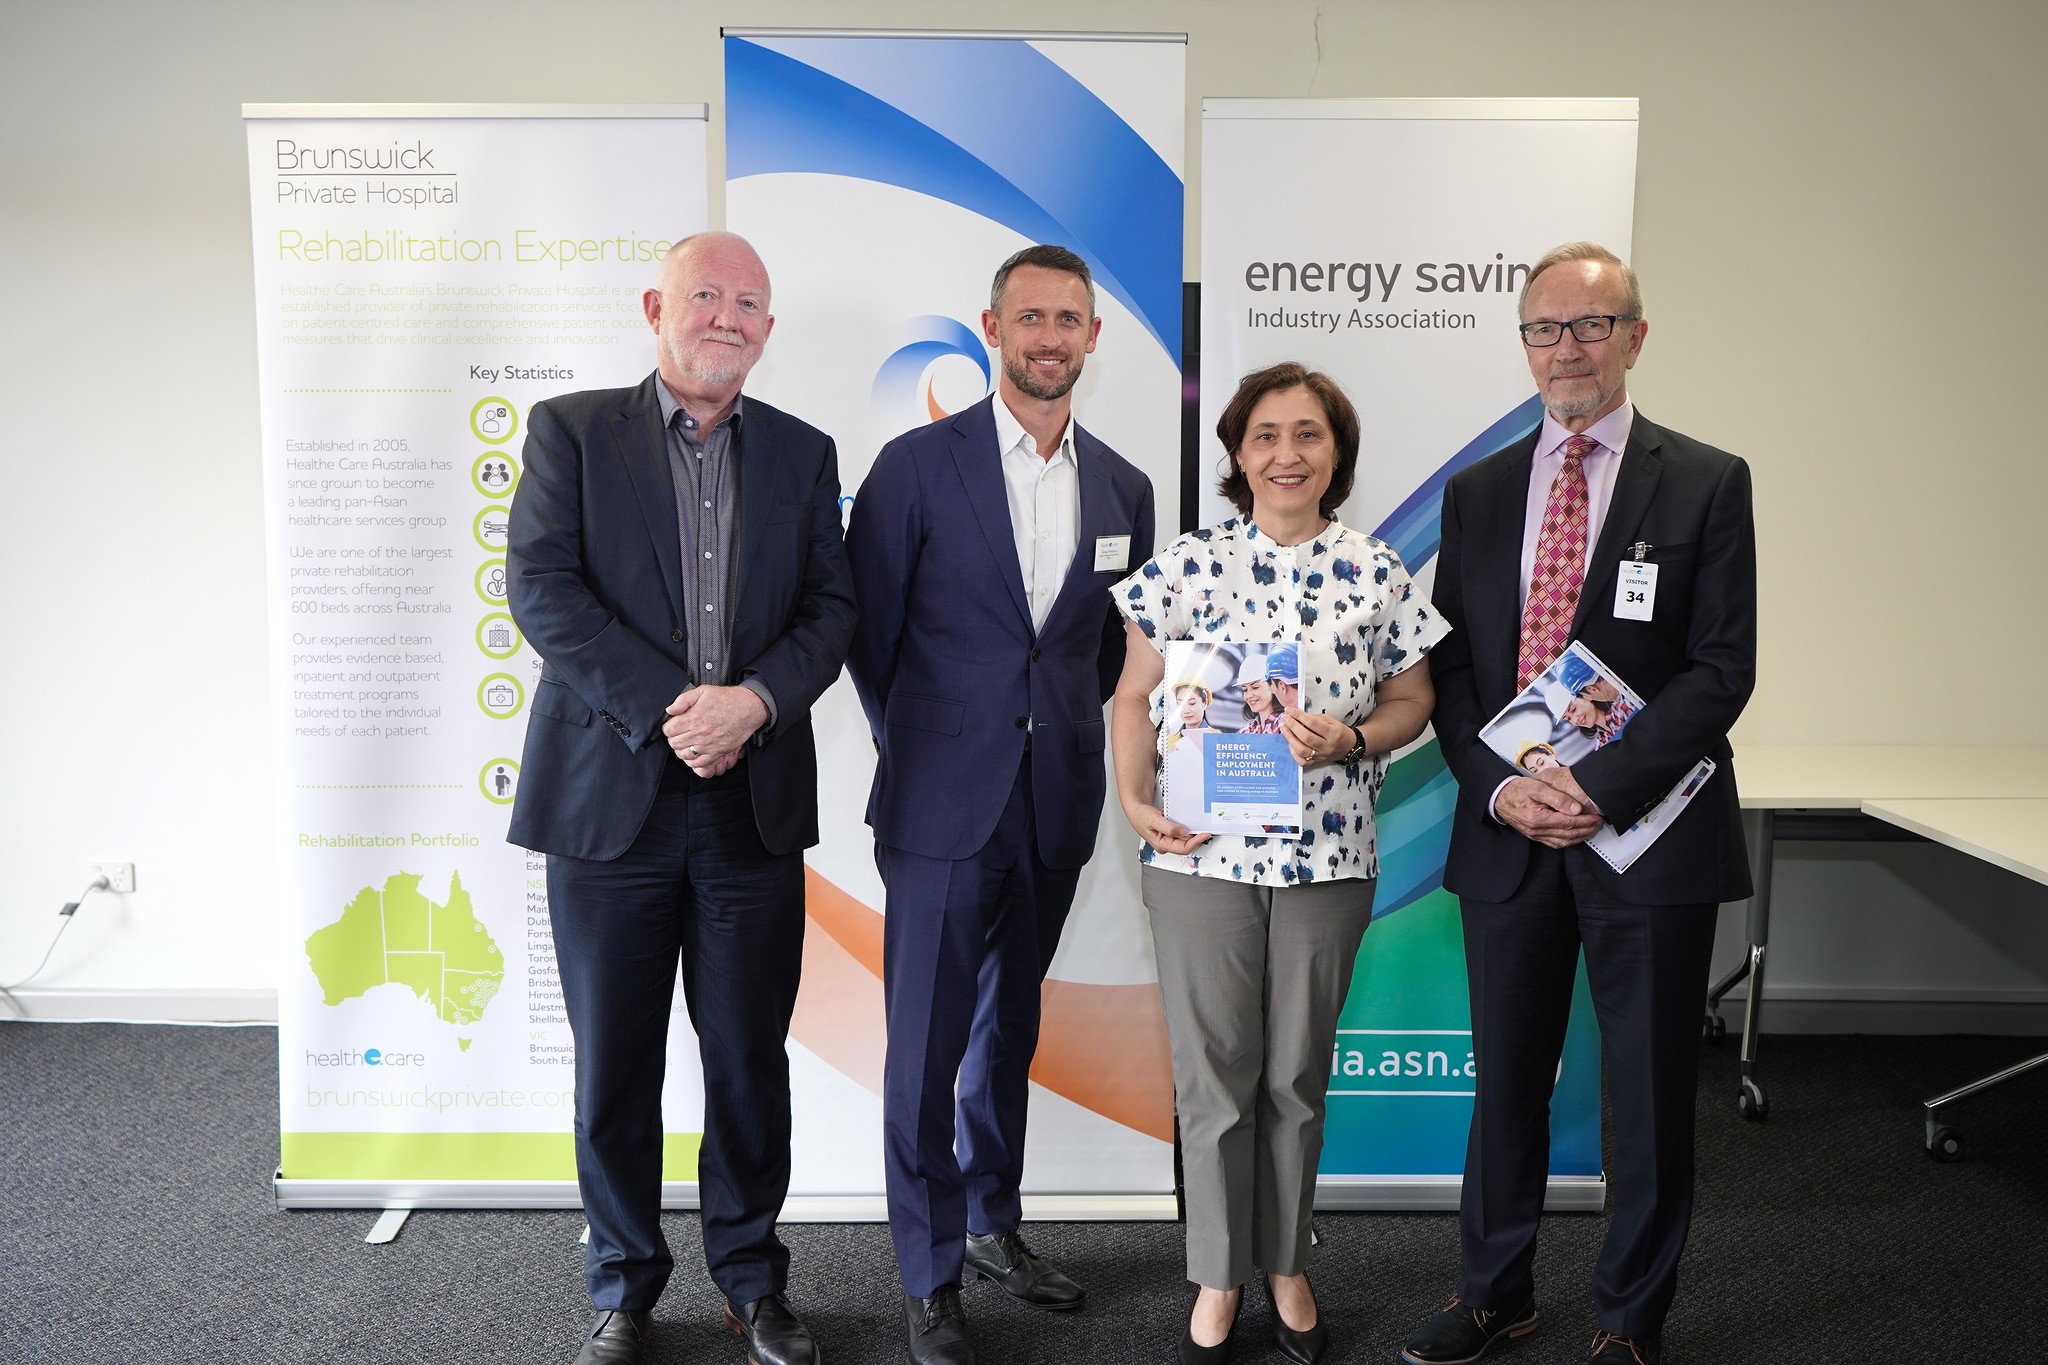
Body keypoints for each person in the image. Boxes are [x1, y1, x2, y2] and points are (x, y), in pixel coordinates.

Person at [506, 231, 856, 1365]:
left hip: (750, 804)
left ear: (767, 328)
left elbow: (832, 610)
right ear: (656, 307)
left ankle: (752, 1280)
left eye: (748, 303)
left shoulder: (803, 453)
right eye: (705, 295)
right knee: (616, 1063)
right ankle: (623, 1286)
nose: (726, 318)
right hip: (609, 802)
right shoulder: (572, 431)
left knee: (747, 1060)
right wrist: (678, 709)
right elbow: (541, 589)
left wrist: (751, 703)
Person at [1403, 242, 1756, 1365]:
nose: (1568, 348)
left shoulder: (1705, 480)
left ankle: (1628, 1319)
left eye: (1592, 325)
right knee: (1506, 1079)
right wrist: (1505, 787)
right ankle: (1492, 1293)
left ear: (1634, 337)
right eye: (1545, 328)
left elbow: (1720, 669)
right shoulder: (1477, 492)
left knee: (1646, 1091)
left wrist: (1593, 788)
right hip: (1510, 836)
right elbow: (1453, 666)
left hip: (1647, 835)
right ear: (1523, 344)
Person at [845, 244, 1156, 1365]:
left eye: (1068, 319)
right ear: (991, 328)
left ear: (1092, 336)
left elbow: (1108, 650)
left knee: (1005, 1027)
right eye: (1030, 317)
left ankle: (991, 1222)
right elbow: (869, 638)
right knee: (925, 1047)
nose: (1049, 337)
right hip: (939, 801)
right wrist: (929, 746)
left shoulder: (1124, 487)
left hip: (1052, 801)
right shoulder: (914, 467)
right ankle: (927, 1276)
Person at [1111, 362, 1446, 1365]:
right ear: (1237, 452)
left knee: (1296, 1076)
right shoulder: (1186, 564)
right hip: (1197, 861)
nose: (1286, 453)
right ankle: (1218, 1275)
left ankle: (1288, 1264)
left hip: (1327, 859)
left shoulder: (1376, 570)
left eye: (1307, 434)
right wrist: (1134, 799)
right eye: (1265, 434)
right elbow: (1131, 697)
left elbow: (1414, 700)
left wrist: (1351, 738)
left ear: (1336, 453)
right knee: (1214, 1078)